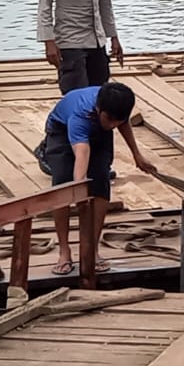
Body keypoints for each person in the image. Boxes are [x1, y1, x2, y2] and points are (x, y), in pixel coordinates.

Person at [43, 82, 156, 275]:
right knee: (61, 187)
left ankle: (92, 249)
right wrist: (79, 187)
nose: (112, 125)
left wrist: (137, 155)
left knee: (101, 184)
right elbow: (82, 151)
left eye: (116, 121)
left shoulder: (116, 109)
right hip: (62, 132)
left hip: (98, 133)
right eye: (109, 119)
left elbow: (122, 123)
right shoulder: (81, 115)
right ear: (99, 109)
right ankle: (64, 250)